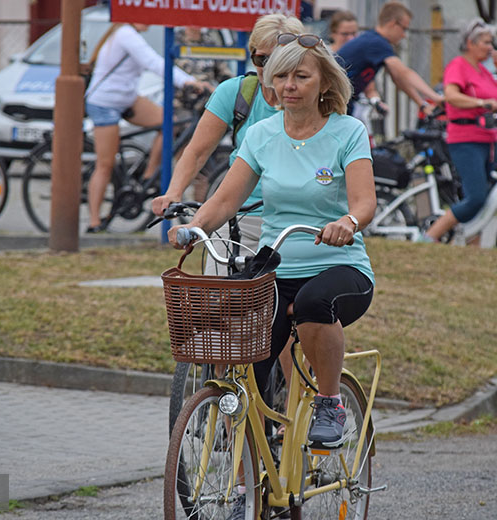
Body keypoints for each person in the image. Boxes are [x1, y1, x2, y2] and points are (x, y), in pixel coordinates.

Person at [168, 33, 377, 452]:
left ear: (324, 82)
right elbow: (226, 199)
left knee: (315, 303)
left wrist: (348, 222)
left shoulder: (347, 131)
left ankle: (330, 404)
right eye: (281, 76)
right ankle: (253, 468)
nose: (288, 85)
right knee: (247, 361)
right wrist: (195, 226)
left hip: (339, 266)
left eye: (301, 76)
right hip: (276, 269)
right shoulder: (262, 134)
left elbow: (364, 202)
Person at [152, 14, 305, 254]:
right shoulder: (236, 92)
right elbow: (197, 151)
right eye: (261, 59)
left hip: (295, 218)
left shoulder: (311, 99)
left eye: (278, 59)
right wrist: (174, 192)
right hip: (240, 213)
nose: (269, 68)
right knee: (219, 273)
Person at [84, 22, 208, 233]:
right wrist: (188, 82)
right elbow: (154, 62)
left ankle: (147, 177)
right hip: (105, 103)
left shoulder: (128, 33)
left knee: (169, 122)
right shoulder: (125, 33)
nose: (149, 22)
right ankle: (94, 222)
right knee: (105, 164)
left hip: (127, 99)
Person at [420, 18, 497, 243]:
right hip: (465, 139)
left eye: (491, 42)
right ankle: (429, 238)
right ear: (470, 43)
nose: (490, 47)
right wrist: (481, 103)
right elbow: (451, 95)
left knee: (483, 198)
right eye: (486, 42)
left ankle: (473, 246)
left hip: (487, 139)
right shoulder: (458, 66)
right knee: (475, 197)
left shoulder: (483, 71)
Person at [336, 1, 444, 114]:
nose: (404, 35)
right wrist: (436, 97)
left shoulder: (373, 41)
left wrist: (422, 104)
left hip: (340, 102)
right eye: (404, 29)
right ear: (393, 24)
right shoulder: (377, 42)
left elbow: (399, 78)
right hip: (333, 101)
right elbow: (405, 73)